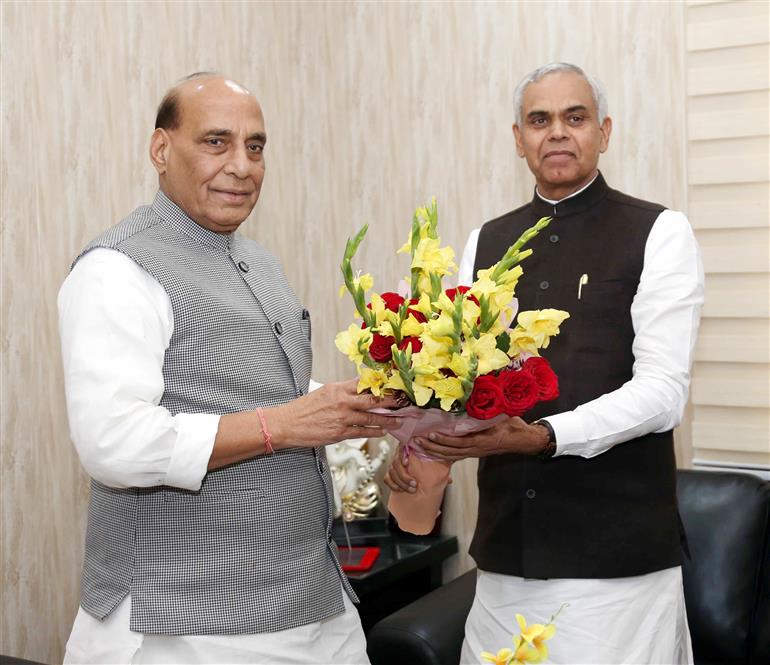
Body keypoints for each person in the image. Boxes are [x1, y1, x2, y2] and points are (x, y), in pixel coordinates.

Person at [59, 72, 399, 665]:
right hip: (183, 625)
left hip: (313, 602)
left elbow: (264, 394)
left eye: (256, 146)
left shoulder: (261, 264)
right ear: (161, 149)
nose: (242, 165)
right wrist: (287, 425)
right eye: (217, 142)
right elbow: (113, 441)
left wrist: (365, 408)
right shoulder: (116, 269)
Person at [385, 62, 704, 664]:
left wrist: (542, 437)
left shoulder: (659, 231)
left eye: (574, 117)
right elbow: (458, 383)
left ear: (604, 132)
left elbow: (663, 393)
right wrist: (418, 449)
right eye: (540, 119)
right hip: (507, 561)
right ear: (518, 138)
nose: (557, 132)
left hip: (617, 569)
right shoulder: (484, 240)